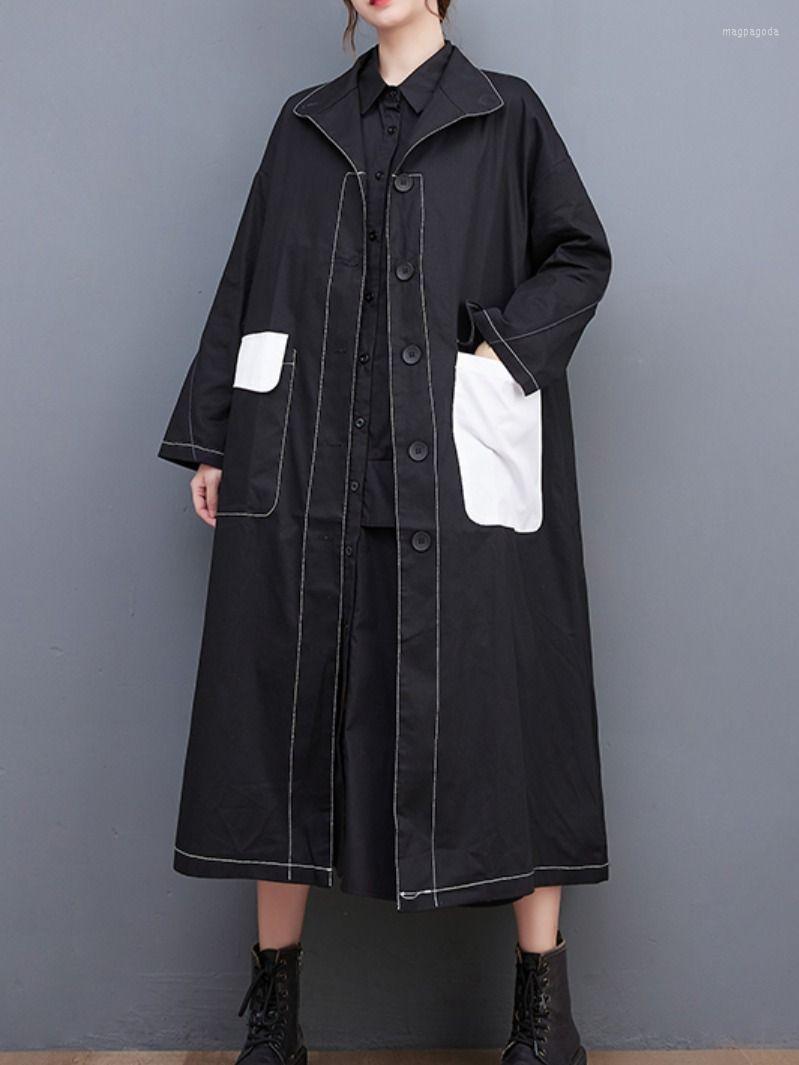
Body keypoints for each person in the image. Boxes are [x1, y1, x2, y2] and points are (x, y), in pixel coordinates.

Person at [157, 1, 612, 1063]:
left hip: (455, 476)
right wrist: (213, 436)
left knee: (511, 721)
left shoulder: (506, 115)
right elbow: (247, 280)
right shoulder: (304, 123)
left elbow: (579, 257)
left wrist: (498, 354)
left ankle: (544, 1021)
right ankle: (274, 1021)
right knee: (283, 724)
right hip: (309, 468)